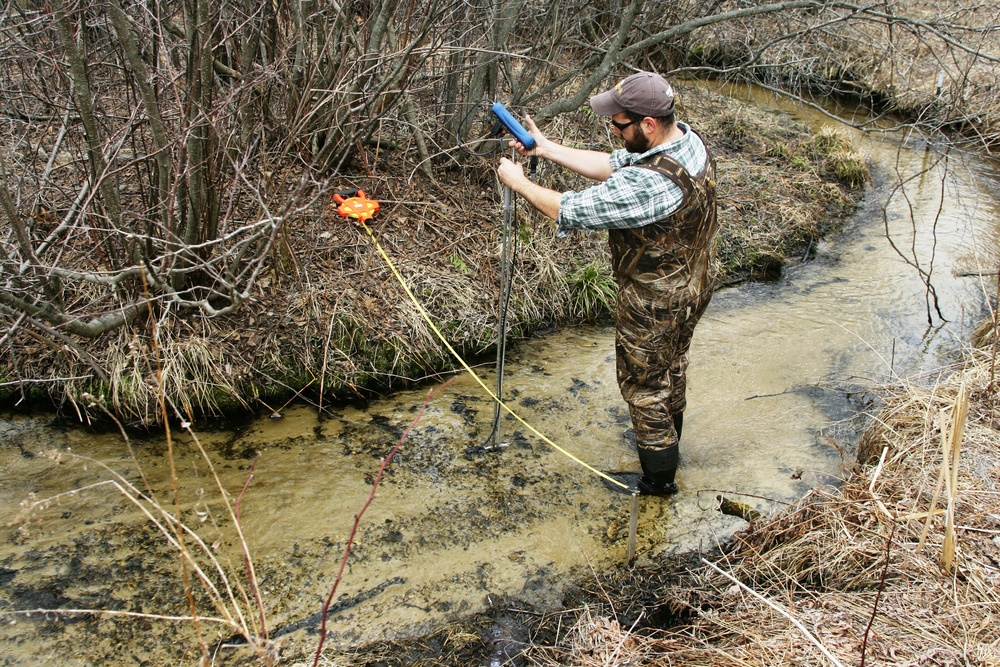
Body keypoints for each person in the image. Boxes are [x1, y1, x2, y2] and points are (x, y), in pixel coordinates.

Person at [497, 71, 718, 496]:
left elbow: (570, 209)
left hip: (655, 301)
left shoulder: (652, 182)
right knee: (671, 368)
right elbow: (613, 164)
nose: (613, 132)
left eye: (618, 125)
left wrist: (519, 182)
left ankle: (658, 483)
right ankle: (669, 450)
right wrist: (545, 148)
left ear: (647, 124)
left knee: (643, 386)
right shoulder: (684, 141)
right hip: (695, 284)